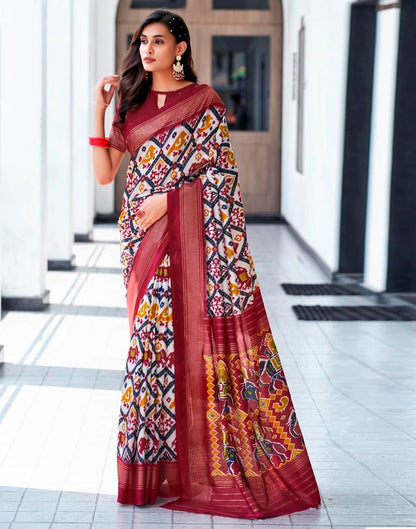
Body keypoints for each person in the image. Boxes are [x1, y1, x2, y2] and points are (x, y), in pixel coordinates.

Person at [90, 9, 321, 519]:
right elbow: (106, 175)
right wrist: (99, 111)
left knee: (192, 346)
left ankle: (203, 467)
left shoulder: (204, 102)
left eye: (159, 41)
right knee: (149, 352)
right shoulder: (130, 104)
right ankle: (149, 475)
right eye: (142, 41)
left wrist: (171, 201)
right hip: (142, 246)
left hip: (185, 237)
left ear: (181, 47)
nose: (147, 50)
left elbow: (223, 179)